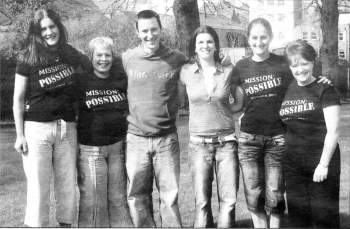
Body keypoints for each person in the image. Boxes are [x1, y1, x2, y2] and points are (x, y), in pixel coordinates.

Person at [232, 18, 330, 228]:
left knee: (276, 190)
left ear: (271, 38)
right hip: (248, 138)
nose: (259, 42)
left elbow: (302, 79)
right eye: (255, 37)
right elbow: (239, 103)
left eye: (263, 37)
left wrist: (321, 80)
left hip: (278, 137)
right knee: (253, 190)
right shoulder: (240, 66)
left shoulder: (282, 64)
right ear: (248, 39)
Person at [13, 9, 85, 227]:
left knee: (67, 187)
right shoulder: (28, 57)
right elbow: (18, 98)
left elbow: (92, 72)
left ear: (58, 27)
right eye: (43, 28)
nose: (49, 32)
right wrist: (19, 135)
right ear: (37, 32)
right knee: (38, 188)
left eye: (52, 26)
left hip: (66, 128)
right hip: (36, 130)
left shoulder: (70, 53)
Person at [121, 10, 188, 227]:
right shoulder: (126, 59)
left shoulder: (176, 58)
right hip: (136, 139)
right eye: (145, 31)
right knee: (137, 195)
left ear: (161, 29)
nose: (150, 35)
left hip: (166, 139)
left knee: (169, 196)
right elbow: (97, 65)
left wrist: (221, 59)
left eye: (154, 30)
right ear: (137, 32)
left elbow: (201, 65)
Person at [179, 25, 244, 228]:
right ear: (194, 47)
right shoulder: (185, 71)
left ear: (216, 45)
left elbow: (239, 103)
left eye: (209, 41)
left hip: (226, 144)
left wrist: (221, 114)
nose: (205, 45)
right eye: (200, 42)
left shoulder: (229, 70)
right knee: (202, 203)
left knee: (228, 201)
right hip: (199, 146)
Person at [281, 39, 341, 228]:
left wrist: (323, 164)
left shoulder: (325, 89)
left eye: (305, 64)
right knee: (298, 217)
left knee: (324, 216)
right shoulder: (287, 88)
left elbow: (333, 130)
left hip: (320, 158)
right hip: (292, 162)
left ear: (313, 62)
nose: (300, 70)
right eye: (295, 65)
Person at [75, 37, 133, 227]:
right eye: (99, 55)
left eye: (107, 54)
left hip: (117, 148)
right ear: (90, 56)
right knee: (93, 202)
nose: (103, 59)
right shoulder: (81, 80)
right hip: (92, 151)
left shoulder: (119, 79)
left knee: (118, 199)